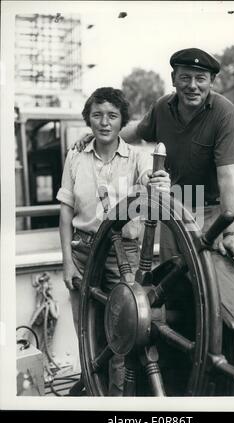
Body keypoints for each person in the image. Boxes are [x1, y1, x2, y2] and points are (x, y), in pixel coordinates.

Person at [74, 48, 234, 268]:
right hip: (174, 209)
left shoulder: (224, 112)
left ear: (212, 81)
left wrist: (229, 234)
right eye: (185, 77)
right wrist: (102, 135)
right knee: (171, 282)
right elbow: (137, 131)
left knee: (211, 286)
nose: (192, 85)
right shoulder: (162, 107)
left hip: (210, 212)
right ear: (174, 79)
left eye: (200, 79)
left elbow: (229, 176)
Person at [57, 87, 170, 396]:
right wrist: (67, 262)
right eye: (97, 115)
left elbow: (152, 179)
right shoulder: (75, 155)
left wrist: (159, 180)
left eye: (112, 116)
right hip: (82, 253)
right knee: (87, 330)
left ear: (122, 121)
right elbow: (65, 212)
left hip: (121, 257)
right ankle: (94, 391)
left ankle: (117, 402)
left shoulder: (137, 158)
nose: (104, 122)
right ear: (88, 120)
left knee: (122, 333)